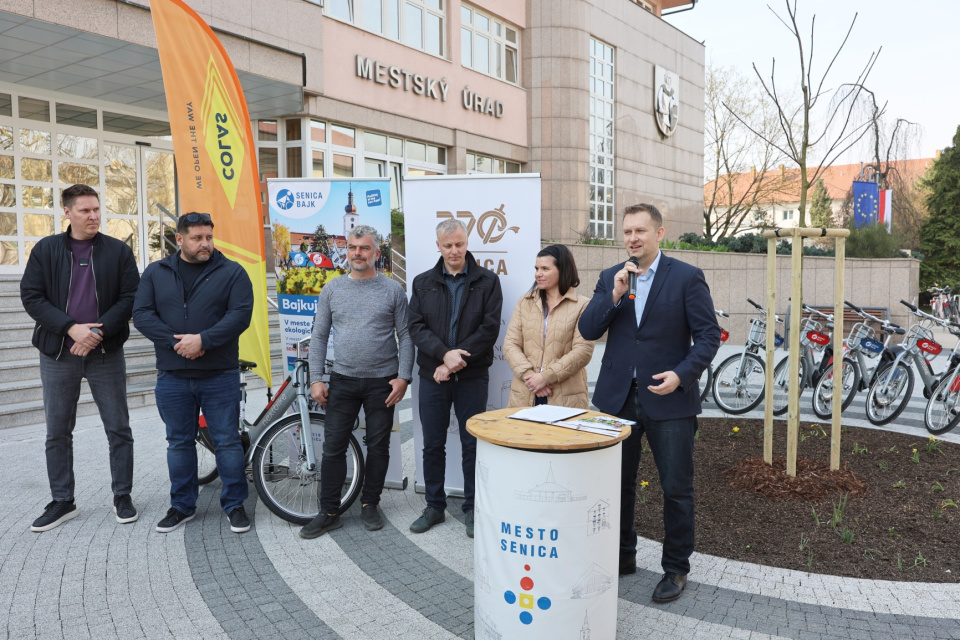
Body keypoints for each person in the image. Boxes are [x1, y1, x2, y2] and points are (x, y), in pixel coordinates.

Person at [579, 203, 720, 604]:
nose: (632, 239)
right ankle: (622, 556)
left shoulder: (687, 278)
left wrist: (682, 374)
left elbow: (709, 336)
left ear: (660, 233)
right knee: (616, 486)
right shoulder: (612, 277)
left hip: (670, 401)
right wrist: (614, 295)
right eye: (627, 232)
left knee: (676, 489)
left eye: (640, 231)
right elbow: (588, 329)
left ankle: (675, 569)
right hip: (617, 401)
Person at [20, 184, 141, 532]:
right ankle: (62, 501)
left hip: (105, 351)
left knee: (118, 427)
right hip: (59, 352)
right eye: (86, 210)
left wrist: (97, 333)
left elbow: (130, 297)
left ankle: (122, 495)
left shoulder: (118, 251)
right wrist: (72, 328)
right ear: (68, 212)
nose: (94, 216)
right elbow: (32, 296)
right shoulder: (45, 250)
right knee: (58, 430)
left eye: (97, 209)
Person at [133, 212, 253, 534]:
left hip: (218, 374)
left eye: (209, 237)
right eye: (198, 238)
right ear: (180, 238)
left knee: (227, 442)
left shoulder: (232, 272)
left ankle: (235, 505)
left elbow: (240, 315)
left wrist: (203, 340)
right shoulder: (156, 273)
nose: (205, 244)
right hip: (172, 376)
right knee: (179, 443)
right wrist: (178, 344)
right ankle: (182, 507)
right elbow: (142, 315)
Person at [300, 225, 414, 539]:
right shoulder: (332, 289)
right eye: (352, 248)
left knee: (378, 446)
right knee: (334, 447)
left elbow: (405, 337)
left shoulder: (392, 290)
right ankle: (329, 511)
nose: (357, 254)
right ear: (346, 250)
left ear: (377, 253)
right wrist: (316, 379)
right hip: (343, 380)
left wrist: (404, 377)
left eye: (364, 248)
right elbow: (319, 336)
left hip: (383, 382)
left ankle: (370, 503)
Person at [407, 219, 503, 538]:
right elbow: (416, 327)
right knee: (432, 444)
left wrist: (452, 362)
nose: (454, 251)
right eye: (447, 245)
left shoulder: (488, 281)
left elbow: (488, 330)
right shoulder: (422, 282)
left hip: (471, 377)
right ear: (438, 246)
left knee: (472, 444)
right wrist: (443, 354)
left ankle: (474, 508)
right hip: (432, 375)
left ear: (467, 242)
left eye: (459, 244)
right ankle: (435, 506)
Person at [503, 245, 594, 408]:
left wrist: (546, 377)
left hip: (565, 397)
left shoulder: (583, 305)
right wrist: (531, 377)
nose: (538, 274)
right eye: (537, 268)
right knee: (525, 434)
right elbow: (511, 345)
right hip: (526, 391)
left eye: (545, 268)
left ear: (563, 269)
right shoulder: (525, 302)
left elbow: (582, 352)